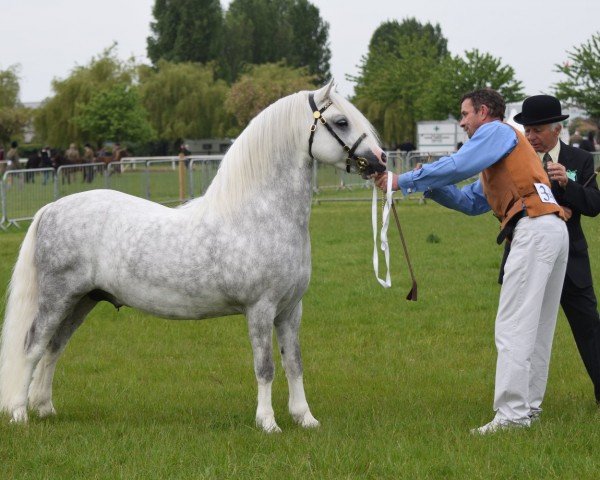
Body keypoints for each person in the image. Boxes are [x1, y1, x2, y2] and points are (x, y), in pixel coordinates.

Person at [375, 88, 569, 435]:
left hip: (535, 229)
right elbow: (471, 203)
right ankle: (528, 408)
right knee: (538, 327)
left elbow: (458, 165)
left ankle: (511, 415)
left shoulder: (495, 132)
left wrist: (401, 180)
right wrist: (426, 186)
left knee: (512, 326)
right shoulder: (503, 147)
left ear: (482, 112)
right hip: (550, 229)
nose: (462, 122)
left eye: (464, 115)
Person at [508, 94, 600, 405]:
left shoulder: (580, 160)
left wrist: (567, 188)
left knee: (589, 328)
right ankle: (519, 401)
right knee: (523, 331)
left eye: (537, 130)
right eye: (527, 131)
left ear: (556, 129)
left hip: (572, 261)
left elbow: (594, 205)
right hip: (528, 257)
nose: (530, 137)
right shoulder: (515, 158)